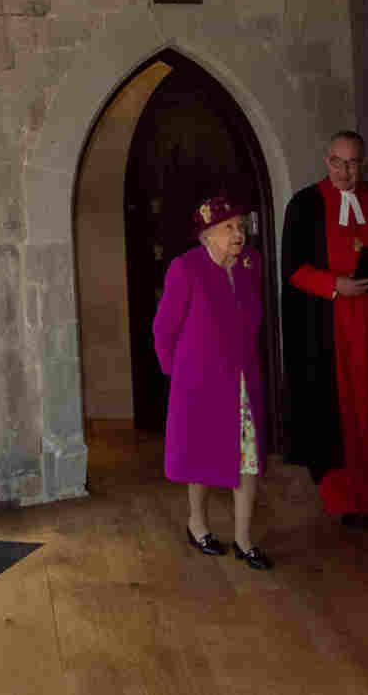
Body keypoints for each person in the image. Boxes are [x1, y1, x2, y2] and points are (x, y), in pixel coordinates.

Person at [281, 131, 368, 525]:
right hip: (331, 329)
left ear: (364, 164)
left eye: (354, 163)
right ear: (327, 161)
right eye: (338, 162)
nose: (346, 171)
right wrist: (333, 285)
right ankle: (345, 499)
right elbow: (292, 267)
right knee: (341, 413)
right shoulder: (305, 205)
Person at [153, 195, 272, 569]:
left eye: (240, 226)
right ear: (208, 235)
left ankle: (243, 538)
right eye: (229, 228)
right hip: (199, 382)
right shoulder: (185, 268)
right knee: (200, 455)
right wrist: (180, 376)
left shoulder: (250, 264)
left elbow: (255, 320)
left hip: (241, 380)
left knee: (248, 457)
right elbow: (164, 329)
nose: (239, 234)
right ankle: (198, 524)